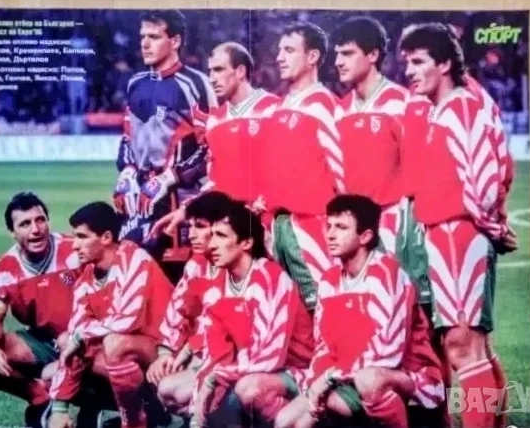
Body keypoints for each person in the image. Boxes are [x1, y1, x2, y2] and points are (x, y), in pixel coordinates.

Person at [398, 22, 518, 428]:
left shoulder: (461, 106)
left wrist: (492, 225)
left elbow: (487, 174)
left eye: (419, 62)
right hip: (446, 234)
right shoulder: (443, 108)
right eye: (407, 63)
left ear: (445, 63)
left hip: (459, 235)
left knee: (462, 346)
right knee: (472, 347)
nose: (410, 71)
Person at [275, 194, 440, 428]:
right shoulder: (329, 280)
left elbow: (387, 352)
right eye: (329, 226)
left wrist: (330, 378)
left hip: (406, 377)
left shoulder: (387, 273)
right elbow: (323, 345)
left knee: (363, 384)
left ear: (365, 236)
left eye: (341, 227)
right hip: (346, 376)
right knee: (285, 421)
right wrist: (316, 383)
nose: (330, 234)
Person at [47, 202, 174, 428]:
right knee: (67, 342)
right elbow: (76, 332)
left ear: (106, 237)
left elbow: (128, 320)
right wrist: (59, 408)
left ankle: (134, 421)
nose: (74, 245)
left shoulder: (135, 258)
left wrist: (81, 336)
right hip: (133, 354)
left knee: (114, 343)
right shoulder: (86, 278)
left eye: (82, 237)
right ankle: (148, 410)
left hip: (170, 349)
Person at [188, 200, 314, 428]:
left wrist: (217, 378)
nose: (212, 244)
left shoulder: (272, 278)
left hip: (295, 371)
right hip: (247, 369)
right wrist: (200, 404)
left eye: (221, 236)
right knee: (179, 391)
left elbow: (270, 356)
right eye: (212, 235)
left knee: (248, 390)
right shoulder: (216, 288)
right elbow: (215, 355)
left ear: (246, 243)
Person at [0, 192, 80, 428]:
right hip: (42, 342)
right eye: (25, 224)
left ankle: (98, 407)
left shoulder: (73, 251)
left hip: (83, 338)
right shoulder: (5, 270)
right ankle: (40, 399)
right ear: (12, 232)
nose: (35, 229)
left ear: (48, 221)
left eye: (40, 220)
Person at [146, 41, 279, 240]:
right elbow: (217, 181)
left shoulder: (273, 109)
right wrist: (187, 208)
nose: (211, 78)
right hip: (230, 231)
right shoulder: (215, 121)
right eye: (210, 71)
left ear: (240, 71)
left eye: (218, 70)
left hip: (269, 227)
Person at [113, 10, 217, 261]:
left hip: (179, 200)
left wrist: (169, 177)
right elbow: (127, 137)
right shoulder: (135, 83)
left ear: (175, 41)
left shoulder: (196, 84)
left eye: (154, 37)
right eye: (142, 36)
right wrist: (127, 171)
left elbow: (212, 149)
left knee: (177, 272)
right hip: (139, 198)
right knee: (135, 270)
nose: (145, 44)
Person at [255, 21, 344, 312]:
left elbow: (341, 170)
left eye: (289, 50)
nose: (279, 57)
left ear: (312, 56)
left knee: (323, 308)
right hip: (280, 226)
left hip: (312, 226)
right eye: (279, 50)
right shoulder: (280, 108)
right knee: (291, 315)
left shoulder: (323, 104)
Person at [146, 191, 232, 415]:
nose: (191, 235)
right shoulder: (197, 264)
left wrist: (188, 352)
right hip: (200, 350)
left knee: (176, 391)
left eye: (200, 226)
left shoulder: (238, 265)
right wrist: (165, 354)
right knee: (163, 383)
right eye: (190, 226)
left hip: (232, 357)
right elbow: (178, 312)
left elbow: (226, 329)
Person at [332, 16, 411, 254]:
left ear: (373, 55)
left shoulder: (402, 103)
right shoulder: (340, 110)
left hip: (394, 225)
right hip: (353, 231)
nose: (338, 62)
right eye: (337, 54)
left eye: (347, 54)